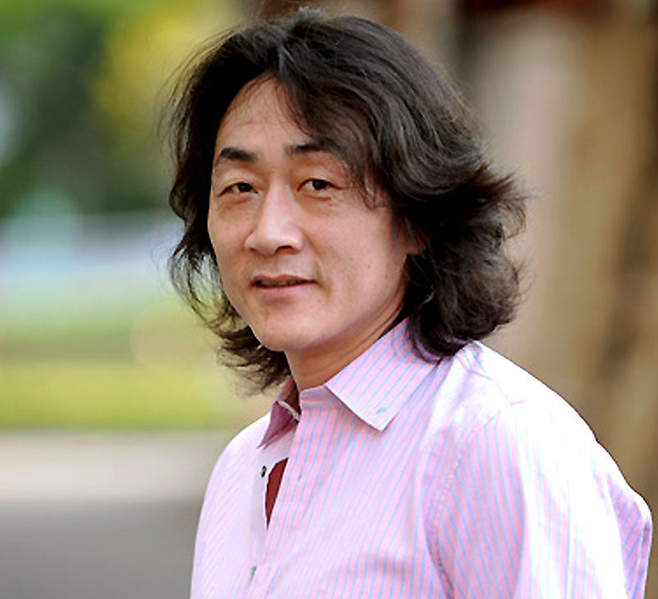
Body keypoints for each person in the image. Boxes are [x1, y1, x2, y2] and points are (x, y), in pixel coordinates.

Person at [167, 8, 652, 598]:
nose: (268, 233)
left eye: (318, 184)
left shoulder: (496, 442)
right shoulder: (243, 467)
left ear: (418, 216)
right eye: (240, 188)